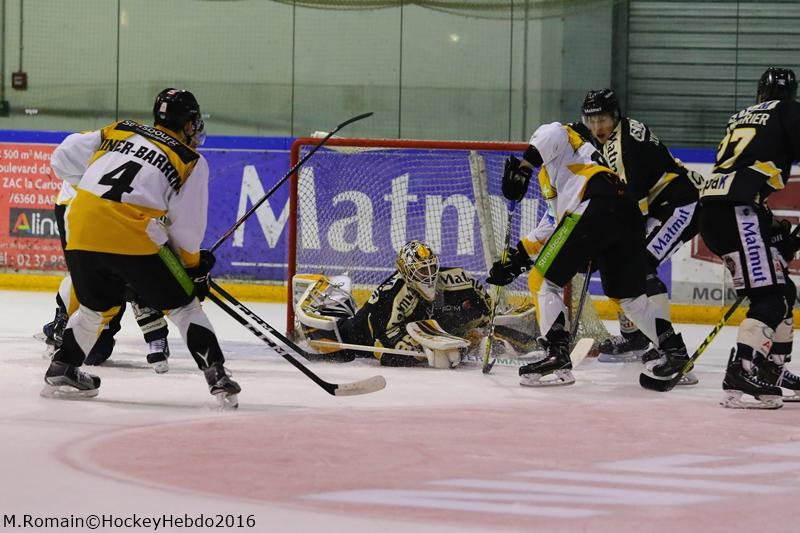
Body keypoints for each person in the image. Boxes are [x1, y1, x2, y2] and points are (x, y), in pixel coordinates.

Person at [42, 88, 240, 408]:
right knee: (184, 307)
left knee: (94, 309)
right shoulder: (190, 160)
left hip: (79, 223)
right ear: (188, 124)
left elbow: (62, 156)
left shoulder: (120, 129)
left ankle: (62, 367)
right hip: (130, 234)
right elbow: (187, 229)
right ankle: (217, 376)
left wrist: (95, 188)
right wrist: (193, 268)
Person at [486, 121, 689, 387]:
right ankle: (675, 353)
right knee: (630, 298)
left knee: (542, 282)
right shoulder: (574, 169)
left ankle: (556, 355)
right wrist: (518, 258)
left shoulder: (567, 135)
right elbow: (553, 224)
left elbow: (552, 132)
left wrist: (524, 167)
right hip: (626, 213)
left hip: (594, 206)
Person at [699, 66, 800, 409]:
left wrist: (771, 230)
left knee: (783, 290)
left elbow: (743, 168)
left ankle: (772, 371)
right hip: (738, 211)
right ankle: (742, 371)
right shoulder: (788, 110)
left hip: (719, 210)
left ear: (760, 94)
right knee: (771, 297)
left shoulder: (741, 116)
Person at [581, 89, 703, 369]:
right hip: (662, 204)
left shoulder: (623, 149)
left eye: (602, 120)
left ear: (615, 116)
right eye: (592, 120)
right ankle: (635, 337)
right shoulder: (618, 132)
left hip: (682, 204)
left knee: (640, 265)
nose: (597, 127)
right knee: (624, 262)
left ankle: (666, 346)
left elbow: (632, 211)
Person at [296, 240, 503, 367]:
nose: (428, 276)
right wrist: (422, 354)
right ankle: (331, 304)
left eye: (431, 268)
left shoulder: (459, 279)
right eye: (421, 271)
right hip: (360, 337)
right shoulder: (392, 295)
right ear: (405, 272)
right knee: (333, 336)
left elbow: (488, 311)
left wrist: (485, 330)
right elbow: (382, 349)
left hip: (405, 330)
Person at [41, 181, 172, 373]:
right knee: (89, 273)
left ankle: (155, 335)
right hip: (84, 206)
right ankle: (64, 319)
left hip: (123, 208)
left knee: (139, 272)